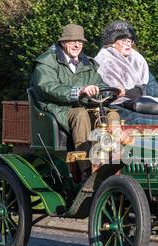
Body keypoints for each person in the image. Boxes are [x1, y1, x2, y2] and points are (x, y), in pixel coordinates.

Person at [30, 23, 119, 176]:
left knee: (112, 115)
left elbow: (99, 85)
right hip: (56, 108)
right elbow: (47, 87)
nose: (77, 45)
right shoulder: (46, 62)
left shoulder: (87, 63)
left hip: (86, 106)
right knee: (80, 114)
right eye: (73, 41)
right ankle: (84, 169)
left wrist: (113, 92)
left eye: (80, 42)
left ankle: (114, 165)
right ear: (63, 42)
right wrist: (78, 92)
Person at [94, 21, 158, 125]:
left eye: (130, 41)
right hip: (116, 107)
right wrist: (120, 92)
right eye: (124, 40)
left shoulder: (138, 61)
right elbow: (100, 91)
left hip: (142, 105)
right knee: (138, 121)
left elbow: (155, 89)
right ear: (112, 42)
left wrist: (140, 90)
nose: (128, 44)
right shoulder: (102, 62)